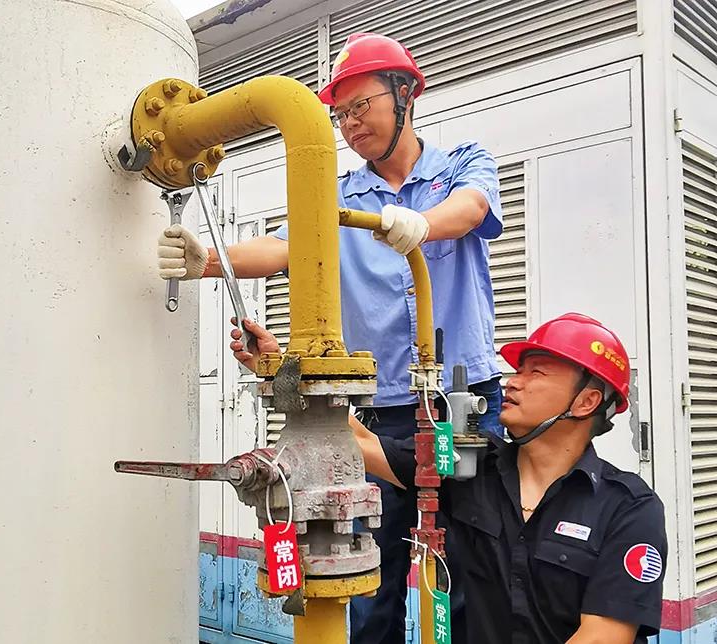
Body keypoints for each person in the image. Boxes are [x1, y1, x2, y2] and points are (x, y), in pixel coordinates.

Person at [158, 33, 504, 643]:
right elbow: (285, 248)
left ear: (405, 95)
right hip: (378, 412)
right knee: (369, 575)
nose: (349, 124)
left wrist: (420, 224)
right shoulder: (339, 196)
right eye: (339, 114)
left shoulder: (461, 164)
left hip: (461, 402)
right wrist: (206, 260)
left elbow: (472, 210)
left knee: (473, 568)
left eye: (360, 105)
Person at [330, 312, 665, 644]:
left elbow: (604, 636)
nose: (514, 382)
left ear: (586, 402)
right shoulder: (468, 467)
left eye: (536, 372)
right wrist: (310, 376)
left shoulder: (629, 508)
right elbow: (362, 443)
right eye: (519, 370)